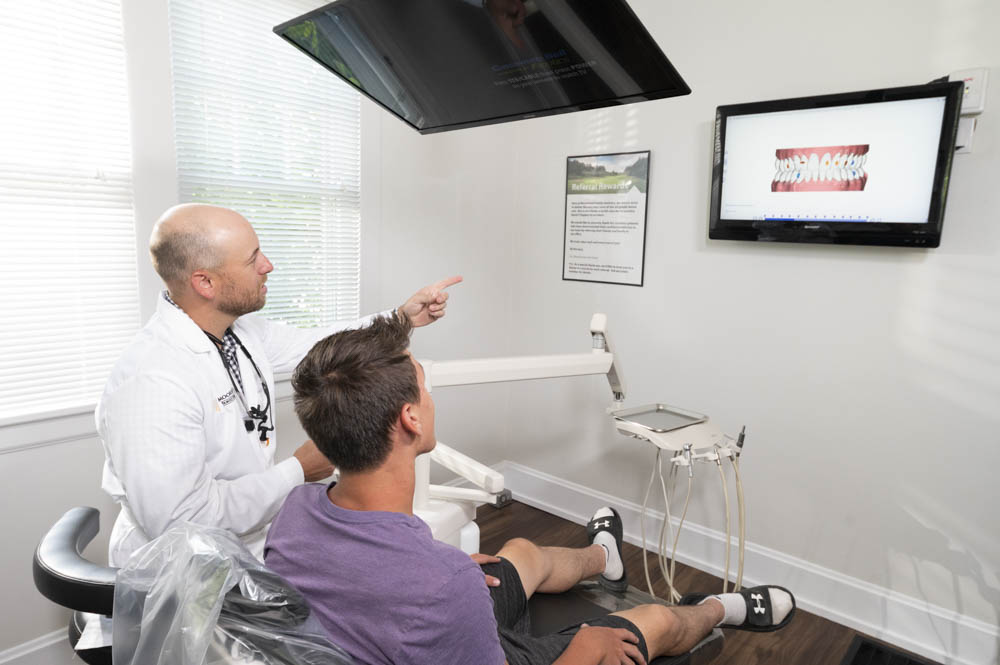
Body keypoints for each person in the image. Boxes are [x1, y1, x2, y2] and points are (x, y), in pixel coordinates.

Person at [264, 313, 796, 665]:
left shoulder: (295, 510)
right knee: (653, 619)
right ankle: (718, 609)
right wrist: (582, 652)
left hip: (422, 628)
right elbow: (423, 592)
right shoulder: (442, 585)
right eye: (426, 389)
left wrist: (433, 567)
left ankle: (602, 557)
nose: (431, 400)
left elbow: (362, 581)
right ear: (409, 419)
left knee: (518, 552)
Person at [96, 203, 461, 566]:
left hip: (246, 548)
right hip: (178, 580)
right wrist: (298, 470)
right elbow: (182, 523)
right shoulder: (151, 382)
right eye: (252, 258)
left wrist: (400, 318)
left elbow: (317, 341)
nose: (267, 265)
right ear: (204, 282)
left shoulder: (238, 332)